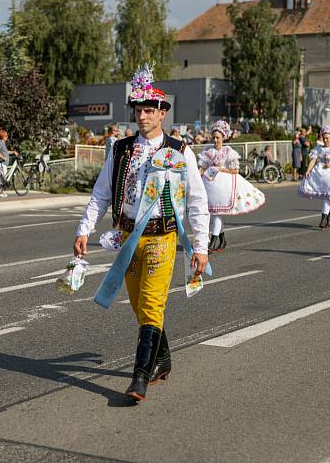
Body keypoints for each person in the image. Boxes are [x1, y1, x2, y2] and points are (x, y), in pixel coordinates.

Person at [73, 63, 209, 403]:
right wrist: (84, 229)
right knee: (139, 306)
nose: (143, 115)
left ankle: (139, 377)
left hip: (162, 236)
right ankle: (162, 358)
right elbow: (102, 192)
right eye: (139, 109)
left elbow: (196, 198)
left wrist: (201, 245)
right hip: (127, 237)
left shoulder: (179, 151)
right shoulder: (119, 149)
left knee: (151, 303)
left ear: (163, 113)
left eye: (150, 110)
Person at [199, 120, 265, 252]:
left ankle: (213, 242)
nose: (216, 140)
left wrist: (221, 169)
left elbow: (235, 170)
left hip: (223, 186)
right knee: (214, 213)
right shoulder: (208, 151)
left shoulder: (229, 152)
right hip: (210, 186)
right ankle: (222, 240)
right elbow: (202, 167)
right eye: (214, 137)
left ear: (224, 137)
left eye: (218, 137)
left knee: (217, 213)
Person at [0, 128, 19, 198]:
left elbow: (6, 152)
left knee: (1, 178)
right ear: (3, 136)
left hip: (3, 164)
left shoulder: (2, 143)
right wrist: (2, 157)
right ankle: (0, 193)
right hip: (1, 163)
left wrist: (13, 152)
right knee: (2, 179)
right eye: (6, 136)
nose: (7, 137)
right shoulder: (1, 142)